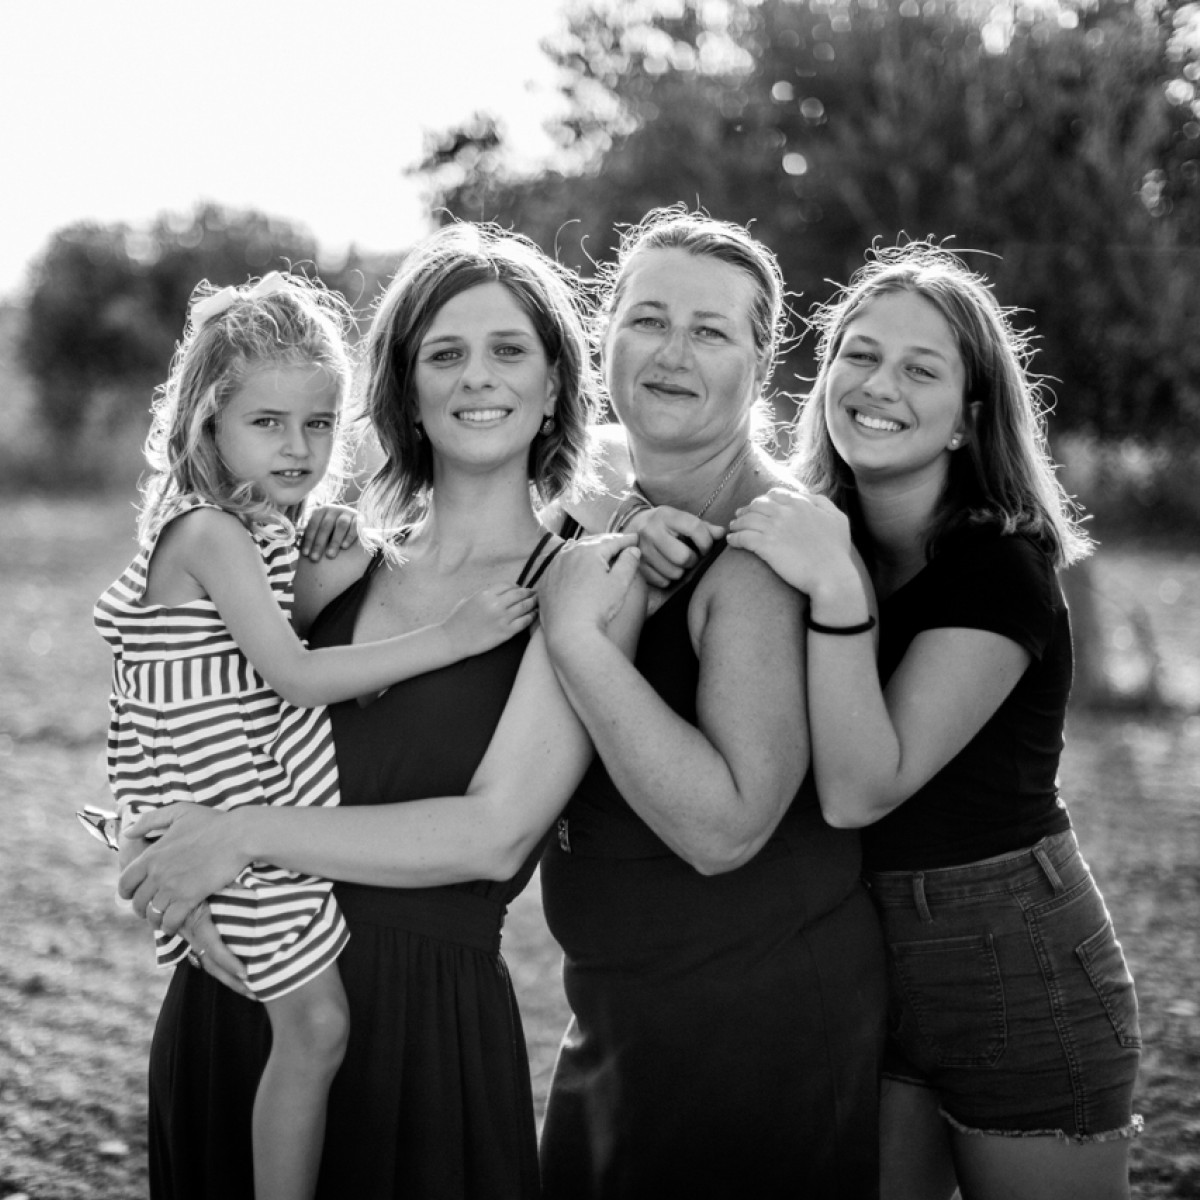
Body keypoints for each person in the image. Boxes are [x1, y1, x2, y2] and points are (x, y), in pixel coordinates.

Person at [116, 225, 642, 1200]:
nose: (476, 377)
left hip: (421, 1031)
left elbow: (493, 835)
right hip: (243, 998)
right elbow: (186, 708)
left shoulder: (582, 582)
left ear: (556, 386)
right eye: (444, 353)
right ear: (402, 386)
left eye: (508, 349)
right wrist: (149, 847)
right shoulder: (326, 560)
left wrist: (238, 835)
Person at [727, 242, 1142, 1200]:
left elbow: (859, 788)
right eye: (860, 355)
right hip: (860, 955)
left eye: (921, 370)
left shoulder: (1000, 568)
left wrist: (837, 589)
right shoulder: (814, 532)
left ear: (969, 418)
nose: (879, 386)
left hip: (1015, 953)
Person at [534, 208, 888, 1198]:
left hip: (754, 1035)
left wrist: (575, 640)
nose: (672, 354)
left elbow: (728, 828)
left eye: (711, 331)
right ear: (604, 336)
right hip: (616, 1017)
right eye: (648, 321)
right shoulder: (597, 512)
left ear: (763, 359)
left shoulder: (763, 556)